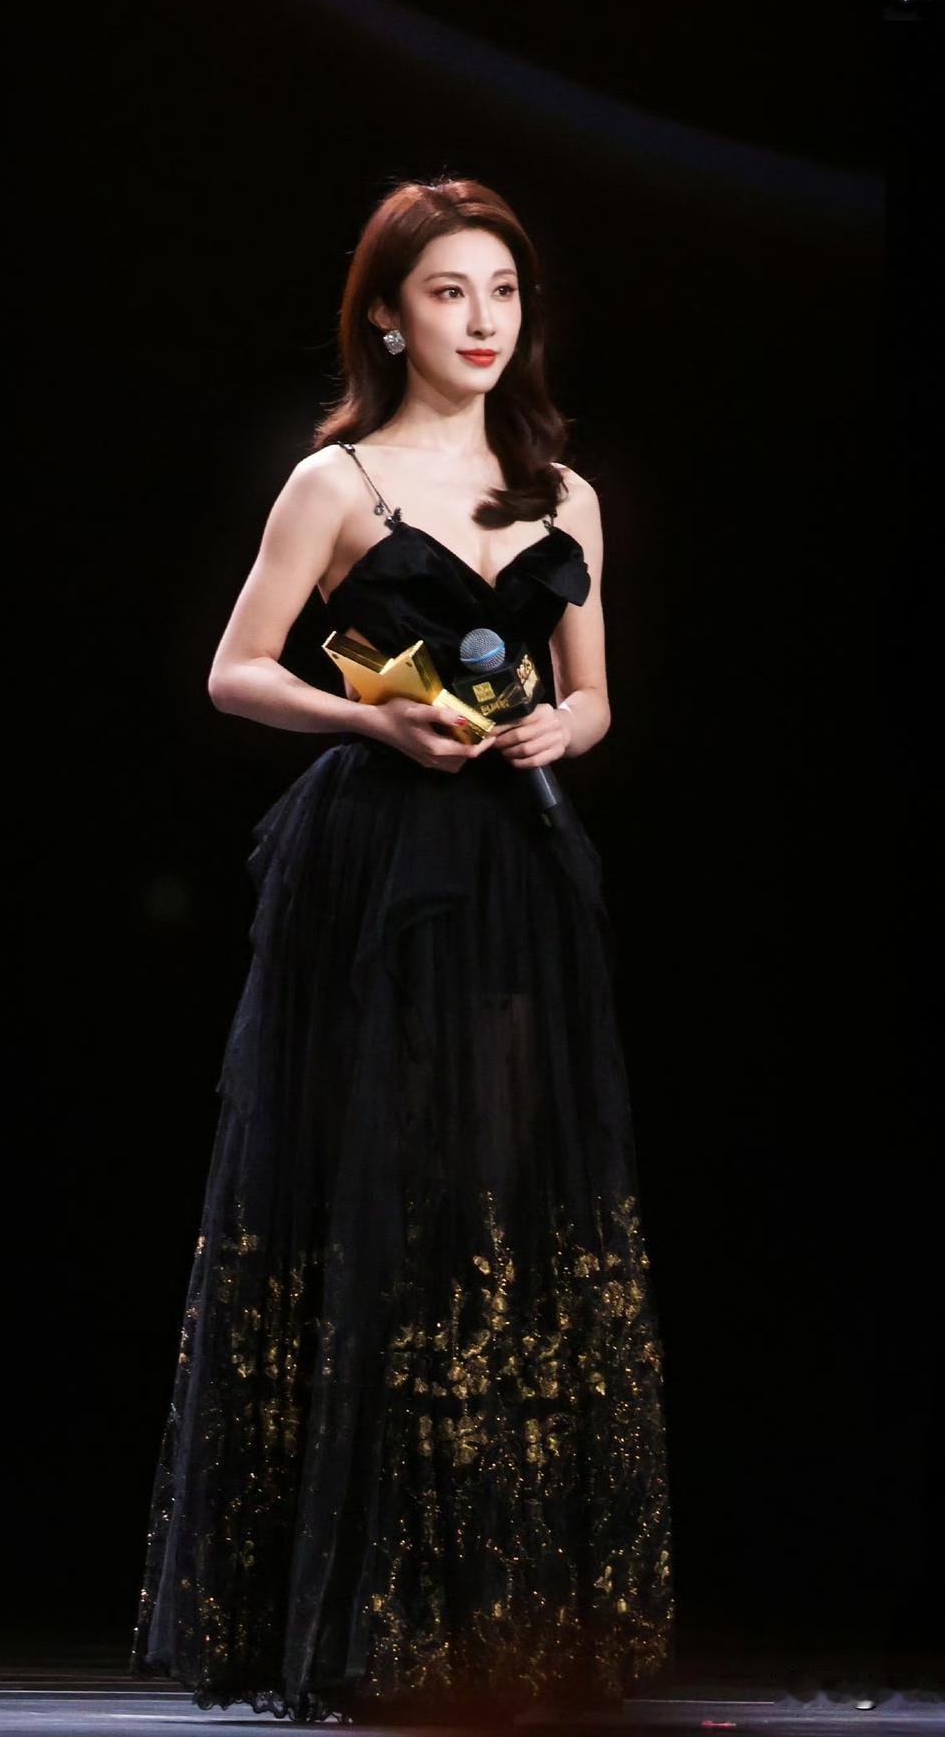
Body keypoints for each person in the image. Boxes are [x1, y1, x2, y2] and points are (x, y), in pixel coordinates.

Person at [129, 178, 674, 1726]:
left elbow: (593, 694)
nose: (483, 319)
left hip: (515, 866)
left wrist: (568, 728)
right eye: (448, 291)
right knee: (376, 1180)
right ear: (387, 315)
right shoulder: (339, 480)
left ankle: (493, 1612)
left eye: (503, 290)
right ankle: (350, 1615)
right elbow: (237, 671)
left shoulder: (562, 493)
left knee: (500, 1201)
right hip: (375, 863)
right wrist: (372, 720)